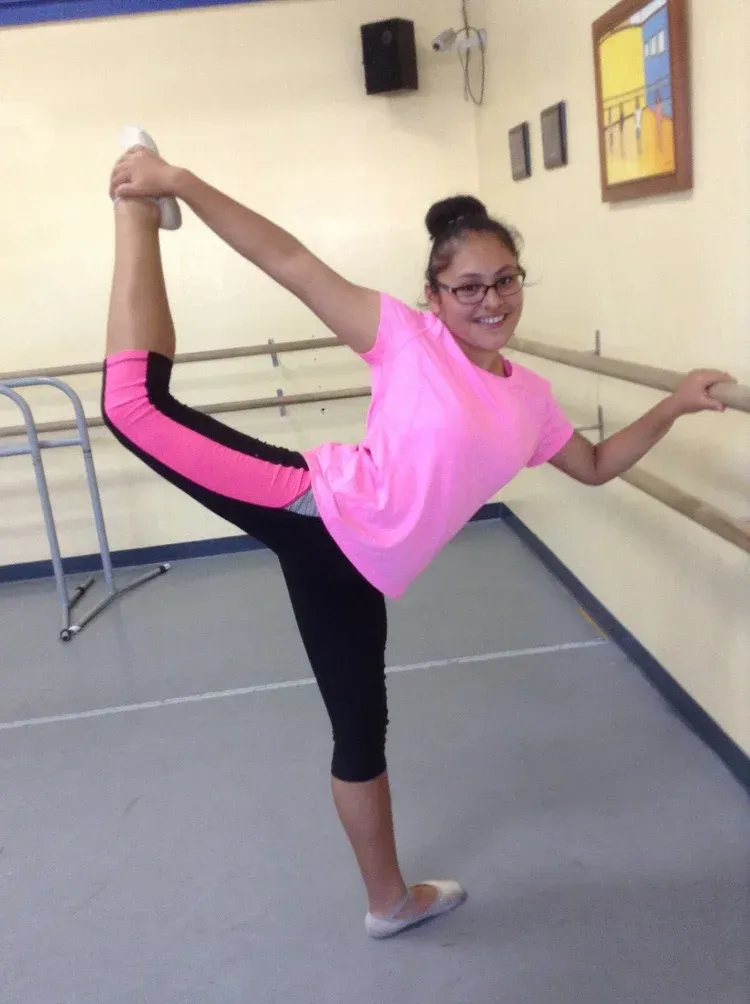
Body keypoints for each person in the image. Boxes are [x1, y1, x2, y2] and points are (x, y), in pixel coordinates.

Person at [103, 126, 733, 939]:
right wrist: (178, 180)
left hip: (360, 574)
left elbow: (599, 463)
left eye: (504, 281)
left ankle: (388, 903)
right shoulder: (406, 338)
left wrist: (677, 403)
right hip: (313, 508)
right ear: (433, 295)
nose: (491, 300)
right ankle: (136, 207)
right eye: (467, 287)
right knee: (134, 408)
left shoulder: (531, 398)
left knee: (361, 734)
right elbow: (289, 261)